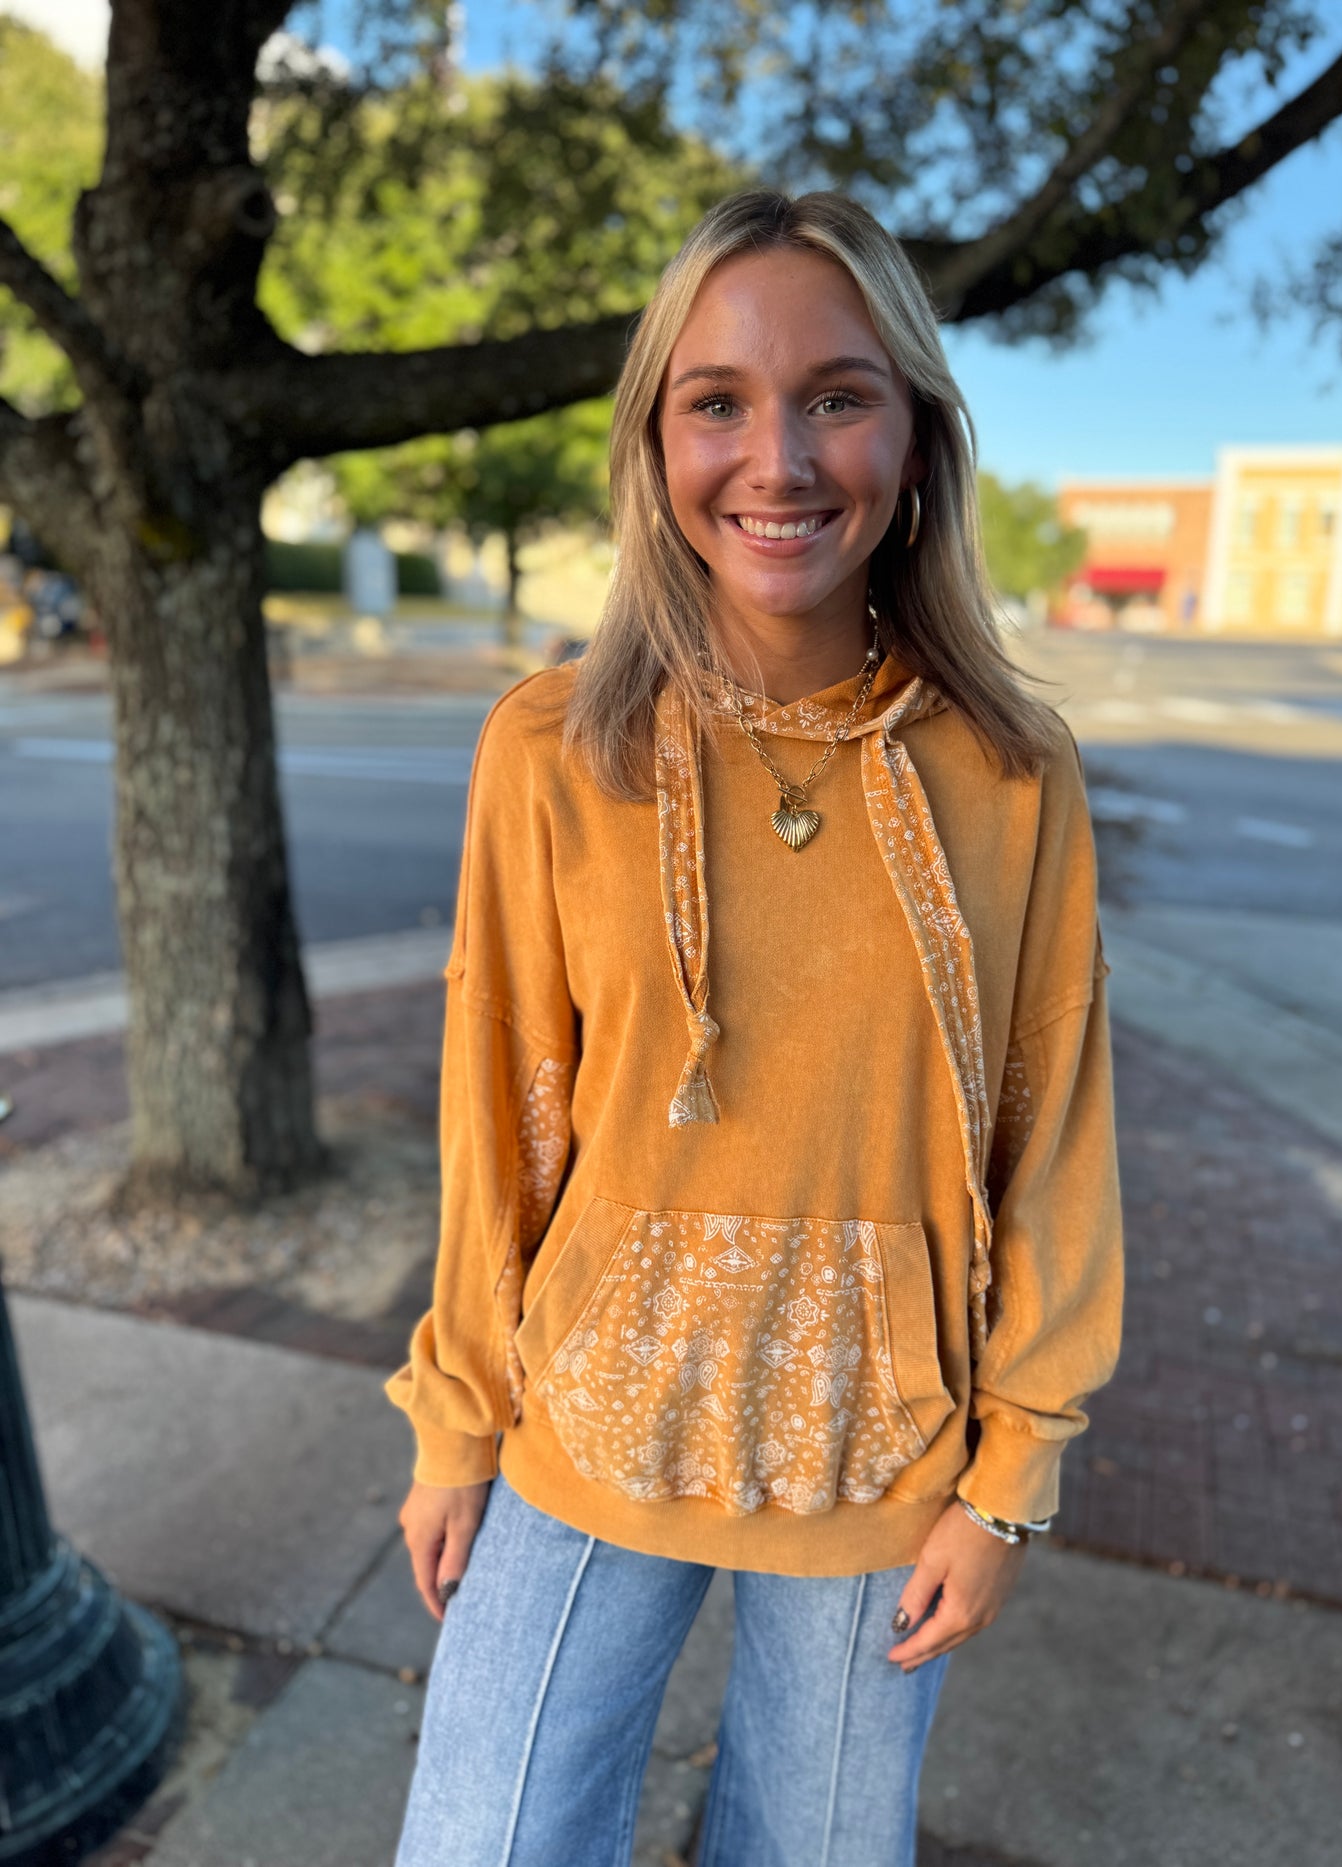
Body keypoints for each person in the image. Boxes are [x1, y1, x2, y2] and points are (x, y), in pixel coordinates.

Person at [385, 186, 1124, 1867]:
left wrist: (1015, 1470)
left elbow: (1053, 1138)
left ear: (916, 435)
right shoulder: (552, 748)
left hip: (887, 1458)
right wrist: (454, 1426)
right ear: (656, 443)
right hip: (588, 1430)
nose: (777, 460)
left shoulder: (1013, 774)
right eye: (717, 401)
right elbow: (499, 1118)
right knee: (483, 1844)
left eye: (836, 397)